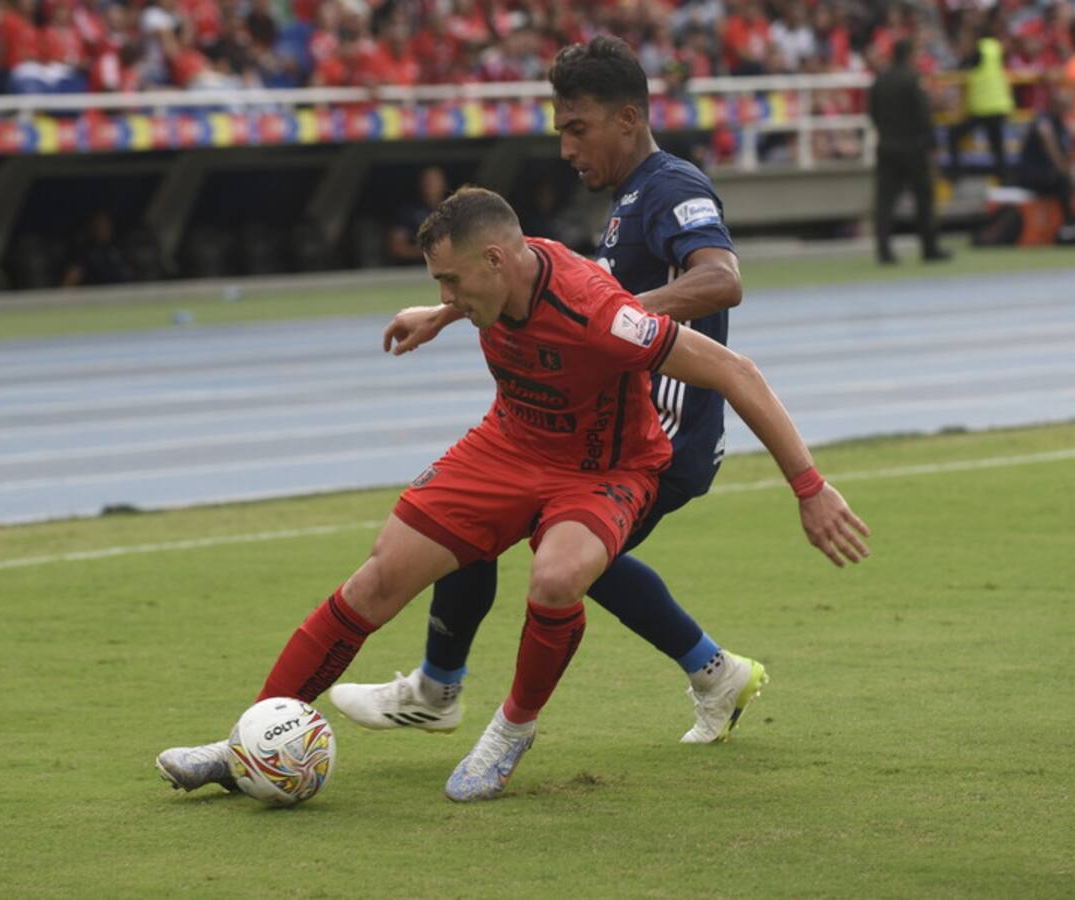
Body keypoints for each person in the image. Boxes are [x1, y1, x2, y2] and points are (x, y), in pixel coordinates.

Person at [156, 186, 870, 802]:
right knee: (375, 582)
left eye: (450, 282)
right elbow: (484, 296)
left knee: (558, 578)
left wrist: (811, 488)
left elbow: (737, 371)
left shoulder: (600, 313)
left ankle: (510, 732)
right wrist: (438, 314)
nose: (445, 294)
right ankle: (243, 743)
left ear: (494, 261)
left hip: (604, 467)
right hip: (510, 444)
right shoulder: (497, 275)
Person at [331, 35, 769, 746]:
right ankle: (713, 672)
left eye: (577, 128)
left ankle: (439, 689)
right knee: (537, 540)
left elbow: (723, 280)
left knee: (507, 528)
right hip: (611, 419)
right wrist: (446, 312)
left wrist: (614, 323)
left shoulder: (673, 186)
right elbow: (538, 285)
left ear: (628, 119)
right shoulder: (630, 196)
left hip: (659, 429)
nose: (566, 147)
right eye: (560, 129)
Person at [869, 38, 950, 265]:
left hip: (887, 146)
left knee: (885, 201)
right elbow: (923, 116)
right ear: (909, 55)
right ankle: (929, 248)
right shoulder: (913, 80)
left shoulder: (881, 80)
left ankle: (883, 250)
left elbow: (872, 113)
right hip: (913, 147)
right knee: (923, 198)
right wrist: (932, 145)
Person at [947, 16, 1013, 183]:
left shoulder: (977, 51)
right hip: (999, 106)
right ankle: (1003, 180)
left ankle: (955, 174)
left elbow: (961, 67)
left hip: (984, 108)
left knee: (954, 134)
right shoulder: (994, 47)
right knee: (997, 147)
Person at [1015, 79, 1075, 227]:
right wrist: (1065, 171)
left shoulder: (1062, 125)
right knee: (1063, 180)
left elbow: (1070, 153)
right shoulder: (1043, 120)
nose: (1066, 108)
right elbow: (1051, 147)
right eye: (1063, 105)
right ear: (1054, 104)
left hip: (1049, 174)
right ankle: (1069, 222)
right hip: (1033, 174)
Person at [385, 165, 449, 265]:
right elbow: (396, 248)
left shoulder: (454, 212)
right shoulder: (408, 213)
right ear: (420, 183)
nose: (430, 184)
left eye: (434, 180)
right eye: (427, 179)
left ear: (444, 183)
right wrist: (427, 252)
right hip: (415, 270)